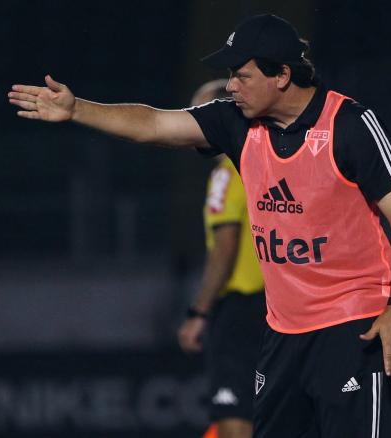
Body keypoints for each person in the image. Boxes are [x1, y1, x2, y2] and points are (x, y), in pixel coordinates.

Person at [8, 14, 391, 438]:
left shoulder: (349, 123)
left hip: (352, 325)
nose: (231, 86)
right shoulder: (236, 122)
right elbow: (154, 124)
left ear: (282, 75)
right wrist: (77, 109)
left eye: (242, 75)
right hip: (282, 332)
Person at [177, 80, 266, 438]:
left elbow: (225, 248)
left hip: (240, 309)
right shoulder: (263, 164)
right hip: (277, 307)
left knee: (234, 417)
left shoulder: (225, 176)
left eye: (197, 114)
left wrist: (199, 312)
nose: (188, 124)